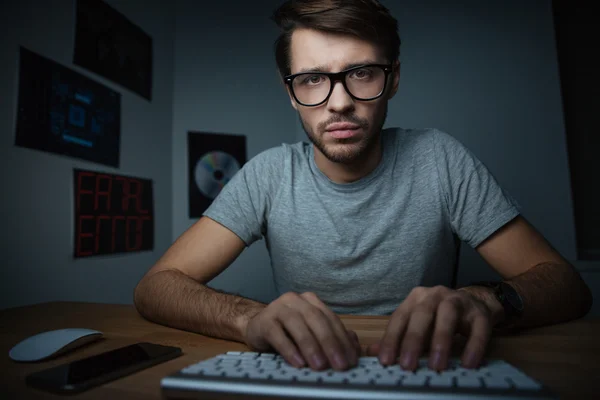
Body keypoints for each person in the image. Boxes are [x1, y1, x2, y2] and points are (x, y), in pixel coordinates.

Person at [134, 0, 592, 373]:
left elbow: (568, 286)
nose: (339, 103)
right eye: (313, 79)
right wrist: (248, 318)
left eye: (361, 73)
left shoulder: (441, 159)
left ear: (392, 79)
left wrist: (487, 301)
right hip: (301, 367)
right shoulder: (268, 174)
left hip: (424, 367)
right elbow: (155, 288)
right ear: (291, 92)